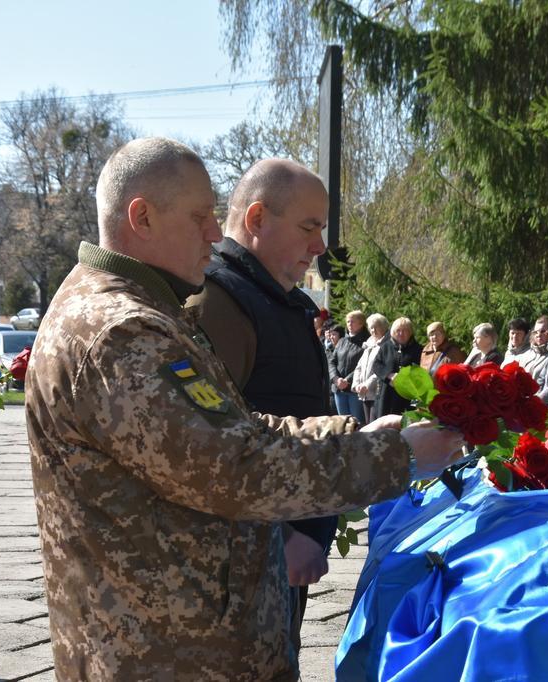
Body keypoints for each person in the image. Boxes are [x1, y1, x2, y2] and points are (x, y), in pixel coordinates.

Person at [25, 137, 463, 680]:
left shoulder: (144, 313)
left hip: (187, 643)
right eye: (200, 216)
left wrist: (360, 433)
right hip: (163, 654)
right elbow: (232, 469)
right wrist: (391, 456)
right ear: (141, 217)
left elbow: (235, 430)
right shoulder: (121, 333)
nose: (214, 232)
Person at [185, 158, 339, 657]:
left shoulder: (274, 299)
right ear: (256, 220)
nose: (319, 246)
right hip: (243, 569)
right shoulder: (219, 302)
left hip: (276, 565)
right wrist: (284, 534)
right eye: (308, 228)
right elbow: (209, 447)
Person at [374, 317, 423, 418]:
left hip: (407, 396)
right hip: (386, 395)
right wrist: (389, 375)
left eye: (405, 330)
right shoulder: (386, 347)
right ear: (393, 332)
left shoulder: (418, 349)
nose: (401, 333)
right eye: (398, 330)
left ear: (410, 332)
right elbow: (376, 365)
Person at [329, 310, 368, 421]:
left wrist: (347, 380)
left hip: (354, 390)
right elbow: (331, 361)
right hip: (338, 389)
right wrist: (336, 378)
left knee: (357, 422)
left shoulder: (366, 342)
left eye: (352, 322)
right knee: (343, 423)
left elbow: (363, 366)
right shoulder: (342, 341)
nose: (349, 324)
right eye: (348, 322)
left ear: (361, 324)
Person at [352, 313, 391, 424]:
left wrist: (367, 384)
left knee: (375, 425)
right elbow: (359, 366)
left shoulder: (387, 345)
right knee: (366, 424)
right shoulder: (369, 344)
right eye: (371, 328)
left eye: (376, 327)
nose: (373, 330)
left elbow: (382, 368)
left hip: (376, 393)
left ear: (383, 327)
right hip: (364, 394)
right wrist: (356, 384)